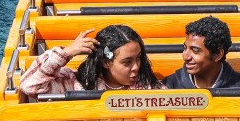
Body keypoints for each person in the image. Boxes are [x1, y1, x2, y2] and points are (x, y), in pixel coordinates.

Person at [20, 24, 161, 98]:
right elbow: (30, 86)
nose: (136, 67)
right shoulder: (74, 84)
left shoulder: (148, 87)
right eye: (127, 62)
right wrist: (65, 53)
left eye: (138, 58)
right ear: (106, 62)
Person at [163, 16, 240, 91]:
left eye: (195, 51)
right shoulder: (170, 86)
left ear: (218, 55)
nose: (185, 56)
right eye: (185, 48)